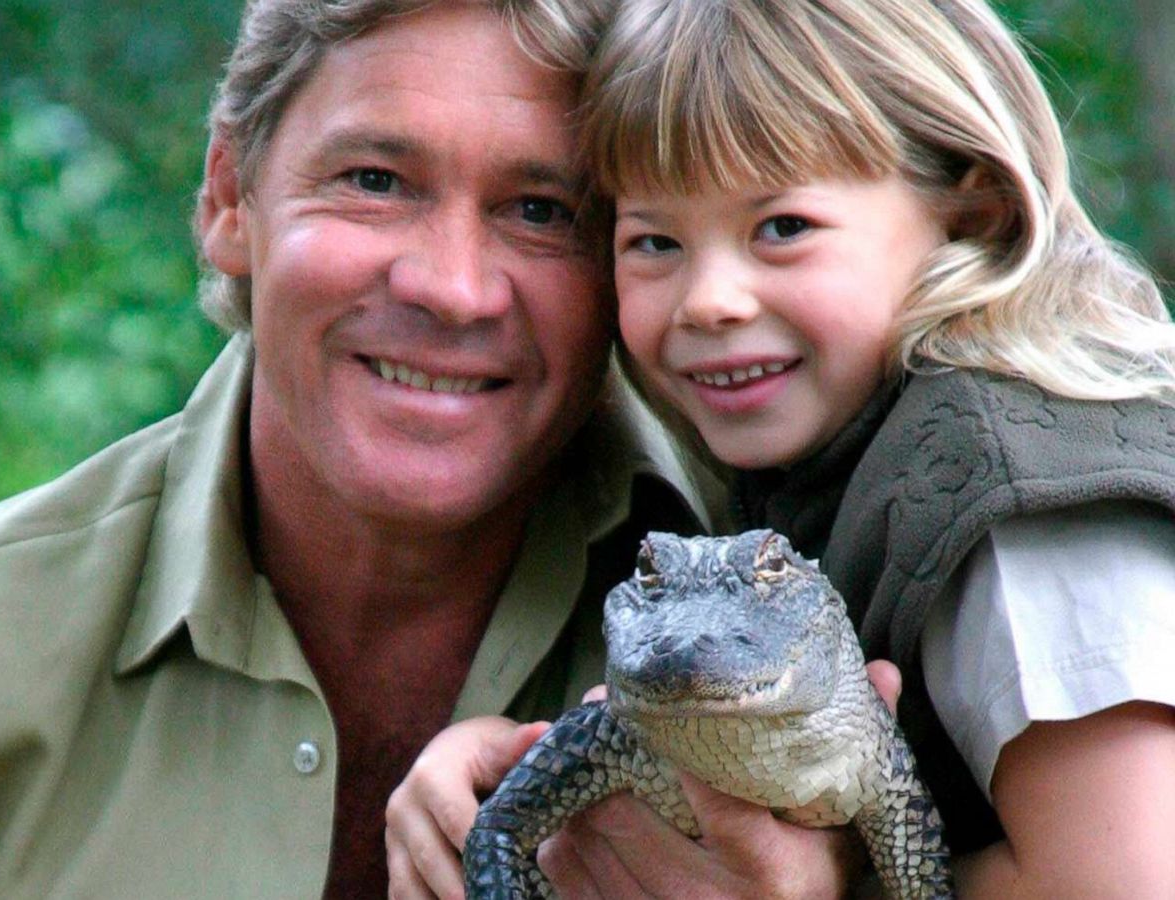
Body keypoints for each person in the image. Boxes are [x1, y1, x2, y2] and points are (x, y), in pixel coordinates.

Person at [0, 1, 728, 897]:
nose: (450, 286)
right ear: (224, 201)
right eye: (374, 182)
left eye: (542, 211)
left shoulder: (790, 614)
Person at [387, 0, 1175, 896]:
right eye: (655, 241)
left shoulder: (1024, 492)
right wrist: (506, 783)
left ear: (973, 215)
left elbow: (1128, 881)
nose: (708, 299)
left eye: (782, 228)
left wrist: (821, 888)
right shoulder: (827, 452)